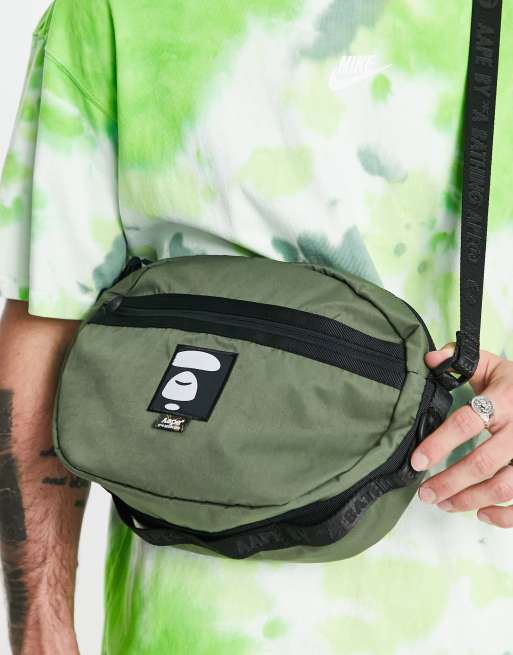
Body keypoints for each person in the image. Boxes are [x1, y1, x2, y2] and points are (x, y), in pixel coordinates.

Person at [1, 1, 513, 653]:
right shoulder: (110, 13)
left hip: (479, 608)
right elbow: (50, 320)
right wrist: (41, 633)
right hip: (196, 626)